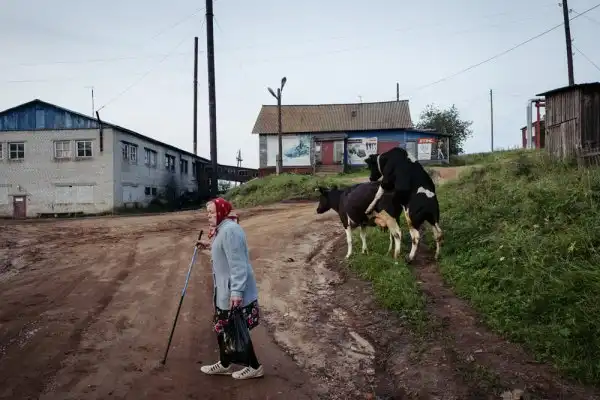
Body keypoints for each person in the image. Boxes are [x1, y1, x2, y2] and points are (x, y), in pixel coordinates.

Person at [196, 197, 263, 380]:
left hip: (233, 290)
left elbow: (238, 263)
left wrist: (237, 292)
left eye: (211, 212)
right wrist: (208, 245)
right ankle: (225, 363)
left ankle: (254, 367)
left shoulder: (230, 230)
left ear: (221, 212)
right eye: (208, 212)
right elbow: (224, 250)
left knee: (237, 328)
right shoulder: (222, 229)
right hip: (224, 290)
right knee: (222, 327)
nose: (208, 216)